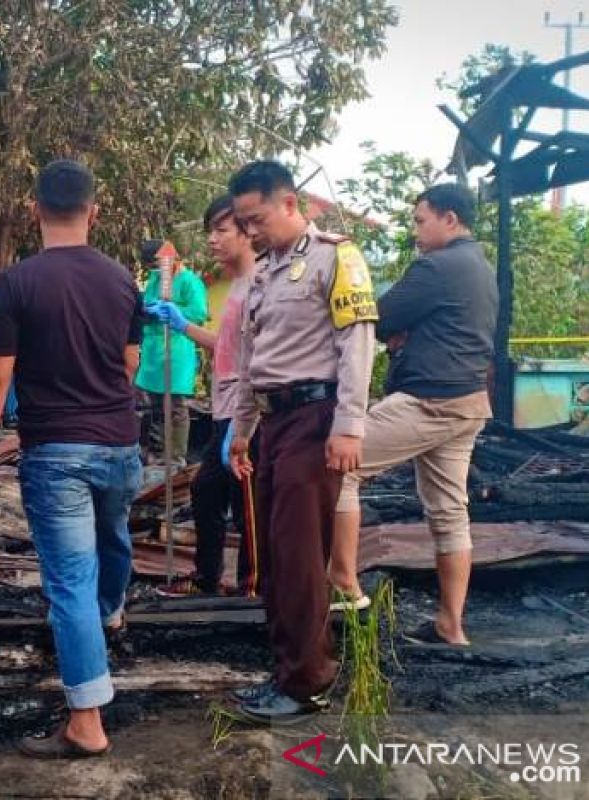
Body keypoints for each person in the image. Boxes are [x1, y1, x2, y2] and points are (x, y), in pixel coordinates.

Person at [0, 159, 144, 758]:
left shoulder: (18, 282)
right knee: (114, 539)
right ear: (93, 211)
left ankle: (86, 722)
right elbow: (129, 365)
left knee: (69, 581)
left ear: (34, 210)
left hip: (56, 451)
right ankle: (108, 622)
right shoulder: (123, 280)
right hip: (121, 443)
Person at [225, 161, 377, 720]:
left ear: (291, 204)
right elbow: (251, 363)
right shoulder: (265, 273)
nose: (250, 232)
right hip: (274, 424)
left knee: (299, 557)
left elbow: (357, 344)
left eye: (256, 219)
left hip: (316, 419)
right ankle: (287, 669)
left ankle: (305, 683)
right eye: (242, 223)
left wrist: (348, 425)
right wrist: (242, 432)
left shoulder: (336, 257)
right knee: (272, 554)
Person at [330, 183, 497, 645]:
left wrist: (396, 332)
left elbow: (377, 318)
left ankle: (343, 585)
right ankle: (451, 625)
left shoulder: (438, 266)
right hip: (467, 402)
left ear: (449, 219)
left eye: (421, 221)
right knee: (449, 513)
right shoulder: (480, 266)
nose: (415, 232)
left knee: (341, 466)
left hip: (429, 400)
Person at [149, 196, 262, 598]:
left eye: (221, 230)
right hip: (225, 407)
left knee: (244, 498)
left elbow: (259, 360)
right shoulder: (237, 286)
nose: (212, 240)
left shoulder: (261, 284)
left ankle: (253, 588)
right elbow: (229, 348)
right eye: (210, 231)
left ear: (249, 231)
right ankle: (208, 579)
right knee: (207, 490)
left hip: (246, 411)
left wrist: (245, 423)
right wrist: (182, 327)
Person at [135, 240, 207, 464]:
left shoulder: (189, 281)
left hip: (176, 348)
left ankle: (176, 457)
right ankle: (158, 454)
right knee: (154, 405)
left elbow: (198, 313)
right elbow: (146, 305)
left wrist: (174, 311)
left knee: (175, 405)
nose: (156, 270)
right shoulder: (155, 280)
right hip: (153, 349)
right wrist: (148, 311)